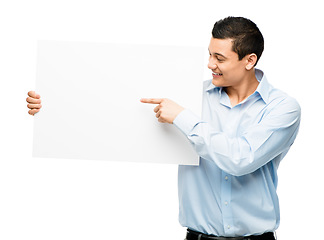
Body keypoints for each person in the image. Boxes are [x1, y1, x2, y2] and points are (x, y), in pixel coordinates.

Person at [27, 17, 301, 240]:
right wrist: (52, 107)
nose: (209, 64)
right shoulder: (191, 94)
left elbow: (241, 158)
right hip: (197, 239)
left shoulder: (282, 108)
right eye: (209, 54)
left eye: (219, 58)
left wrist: (182, 117)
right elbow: (113, 106)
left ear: (249, 61)